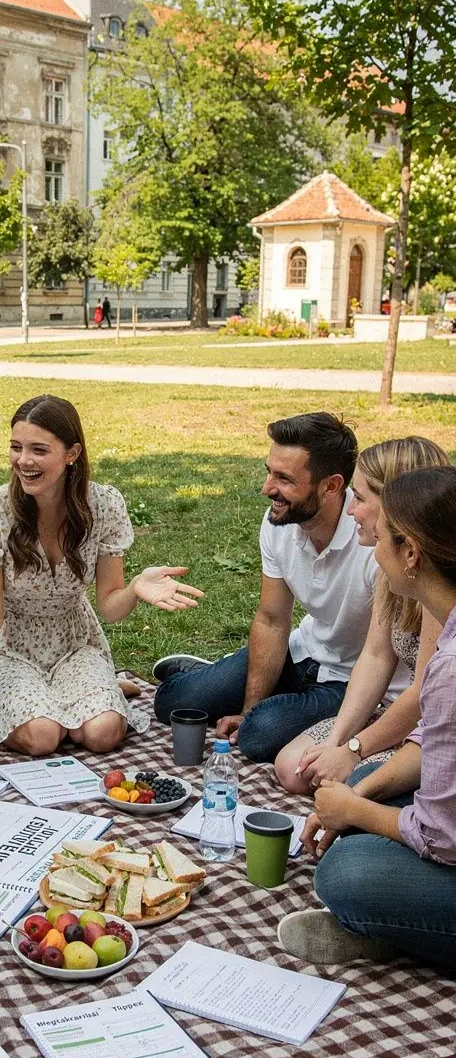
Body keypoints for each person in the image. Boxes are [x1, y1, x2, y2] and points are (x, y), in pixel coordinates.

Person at [0, 394, 202, 756]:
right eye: (16, 447)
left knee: (103, 734)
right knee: (42, 738)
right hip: (4, 649)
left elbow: (110, 607)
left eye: (38, 450)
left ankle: (78, 696)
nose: (23, 461)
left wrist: (134, 588)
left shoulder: (104, 505)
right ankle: (48, 703)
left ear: (72, 453)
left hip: (73, 642)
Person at [278, 465, 456, 971]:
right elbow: (433, 741)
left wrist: (357, 812)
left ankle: (400, 929)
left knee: (345, 873)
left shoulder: (450, 666)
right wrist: (358, 792)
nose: (373, 544)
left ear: (411, 553)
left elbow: (442, 838)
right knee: (360, 788)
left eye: (382, 534)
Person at [154, 412, 374, 762]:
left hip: (350, 680)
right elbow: (272, 619)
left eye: (284, 478)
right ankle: (213, 676)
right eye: (269, 472)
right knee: (171, 703)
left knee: (258, 735)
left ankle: (251, 695)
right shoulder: (279, 523)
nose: (267, 488)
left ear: (331, 486)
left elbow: (382, 656)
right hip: (302, 653)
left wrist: (253, 718)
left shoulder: (371, 539)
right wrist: (248, 707)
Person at [274, 436, 450, 794]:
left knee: (351, 784)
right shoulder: (391, 564)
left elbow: (423, 696)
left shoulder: (437, 586)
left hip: (428, 727)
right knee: (294, 768)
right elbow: (375, 655)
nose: (350, 510)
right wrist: (336, 742)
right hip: (388, 710)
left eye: (360, 498)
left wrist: (353, 751)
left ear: (396, 506)